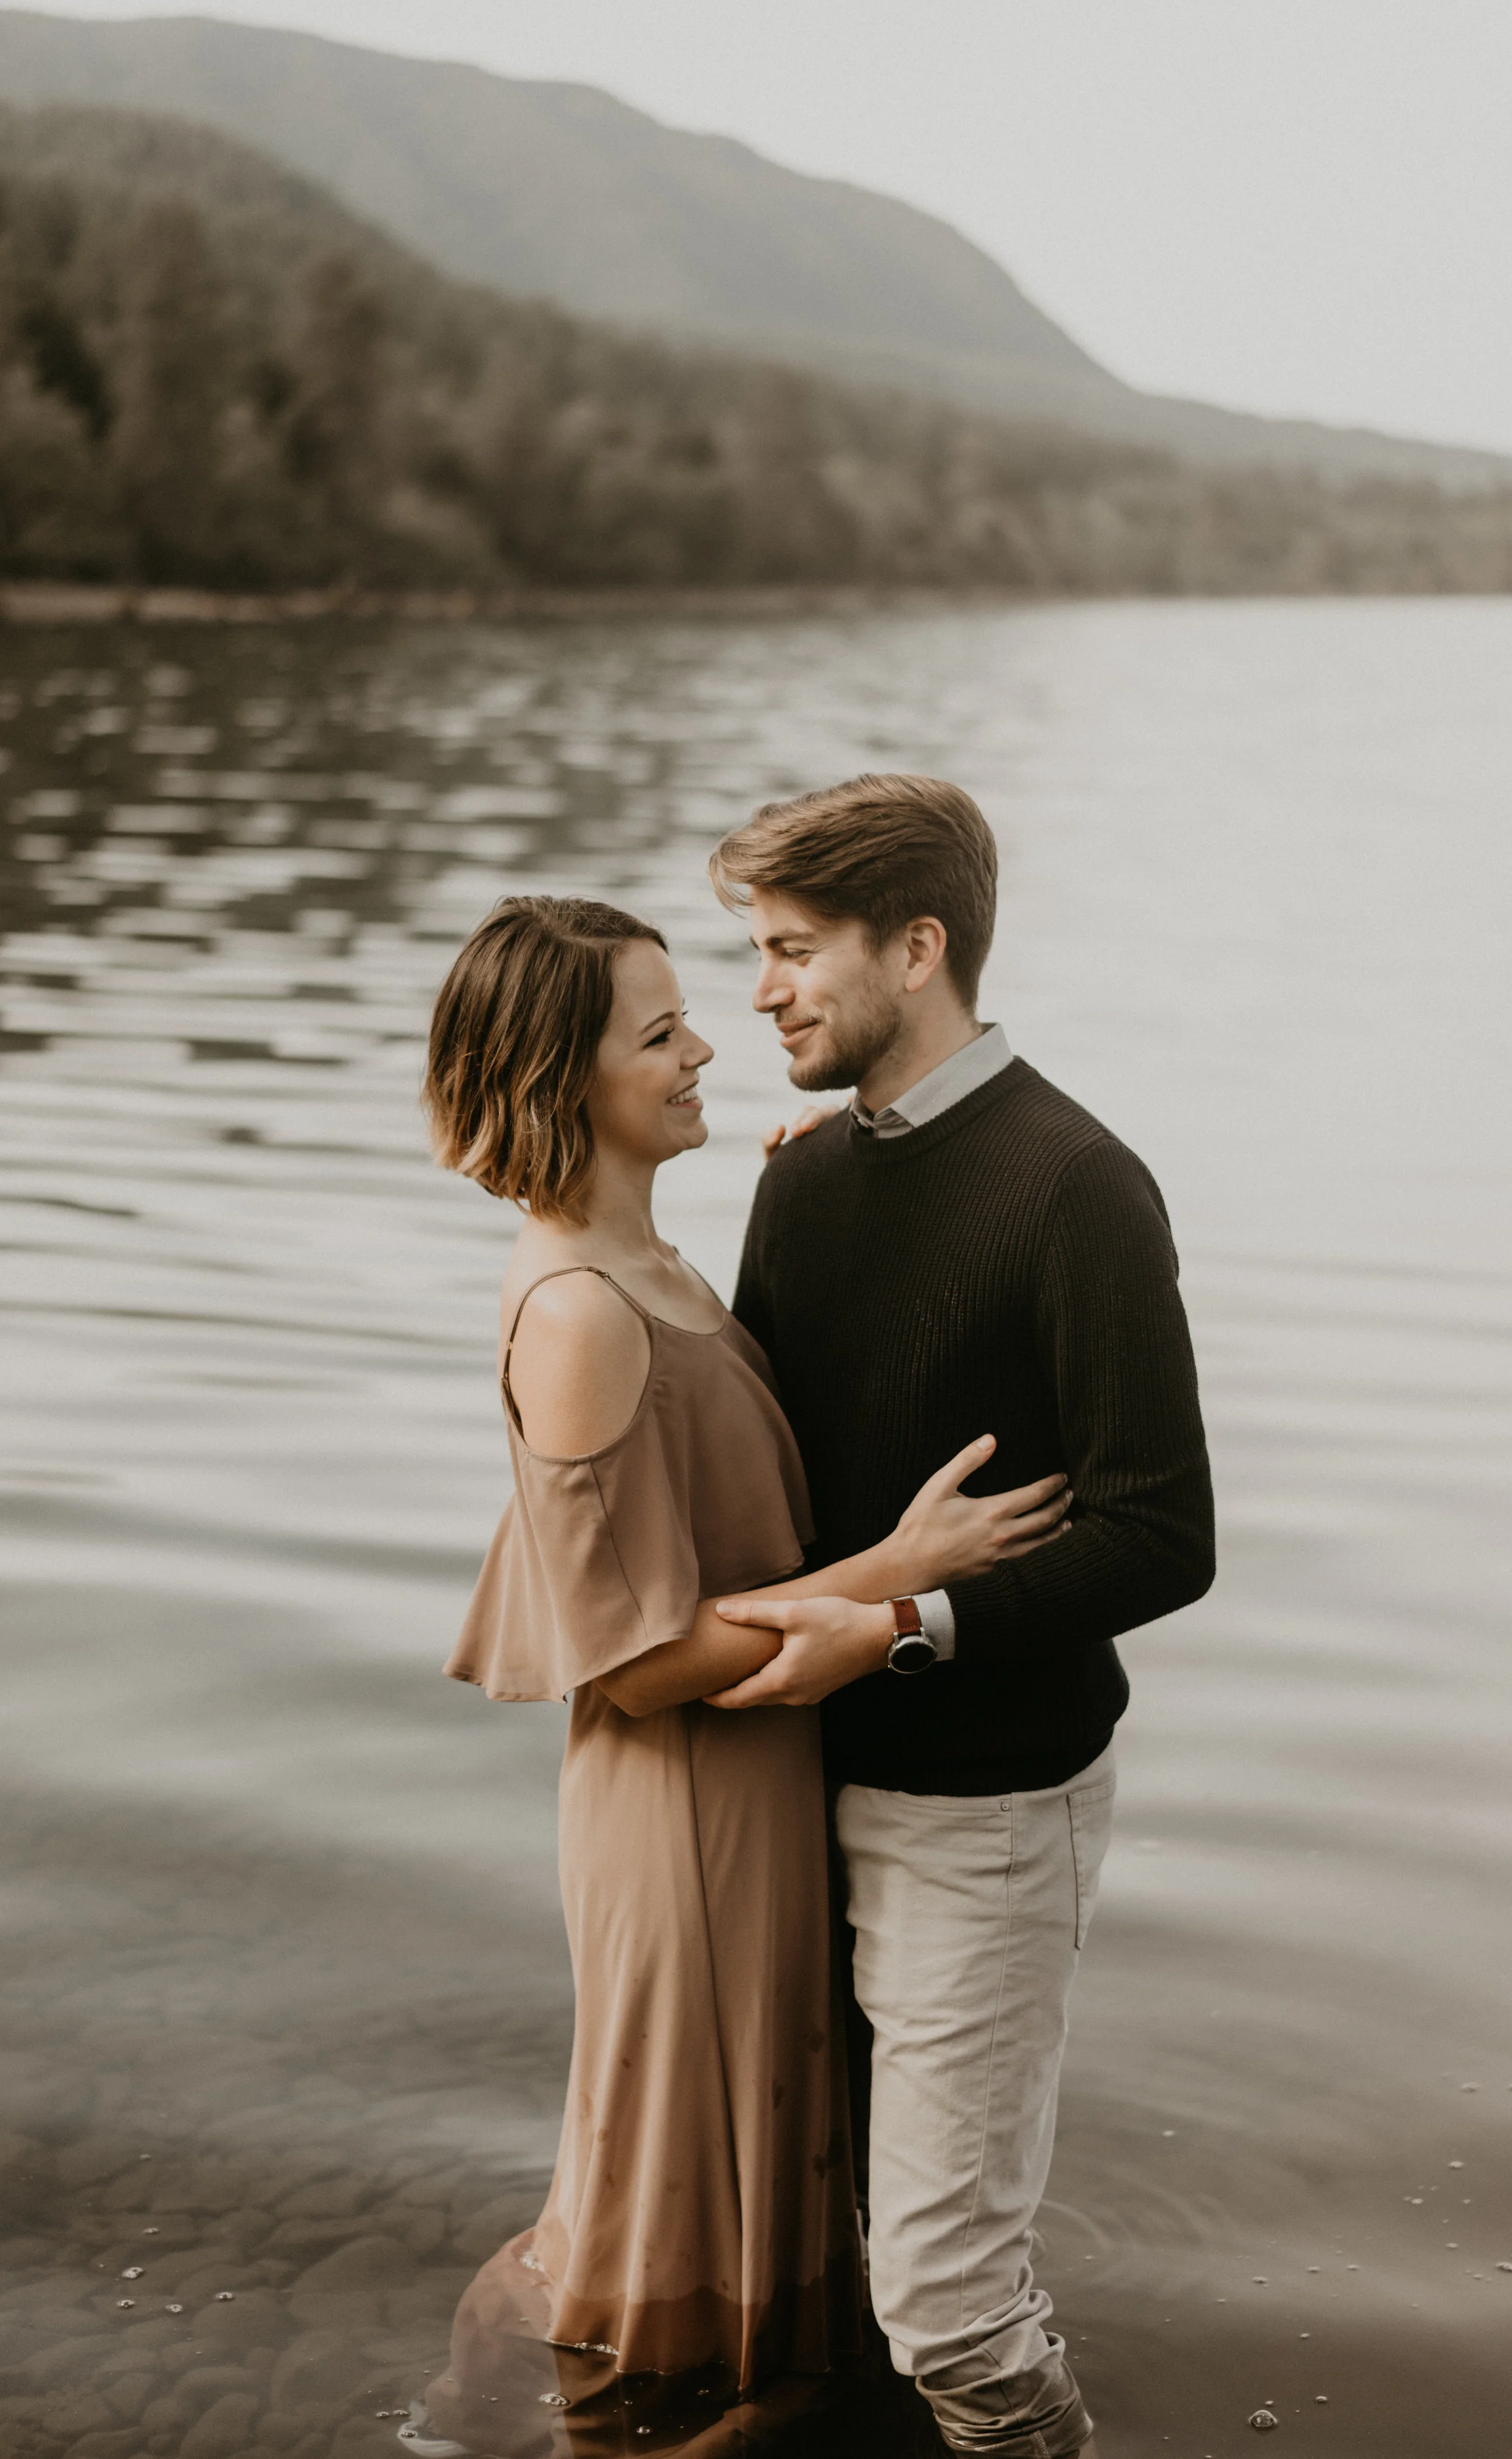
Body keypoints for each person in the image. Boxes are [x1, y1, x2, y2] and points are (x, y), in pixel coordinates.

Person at [416, 894, 1071, 2443]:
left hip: (751, 1780)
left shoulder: (642, 1258)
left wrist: (833, 1186)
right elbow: (637, 1665)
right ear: (562, 1079)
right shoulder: (578, 1311)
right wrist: (899, 1574)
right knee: (662, 2175)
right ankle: (532, 2405)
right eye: (658, 1036)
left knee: (726, 2148)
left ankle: (678, 2397)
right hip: (682, 1806)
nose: (710, 1043)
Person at [706, 776, 1216, 2459]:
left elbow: (1163, 1533)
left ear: (915, 948)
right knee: (831, 2252)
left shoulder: (1080, 1186)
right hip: (803, 1782)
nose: (761, 992)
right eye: (752, 956)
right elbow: (771, 1479)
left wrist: (904, 1626)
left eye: (791, 952)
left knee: (946, 2305)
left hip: (986, 1807)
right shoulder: (802, 1181)